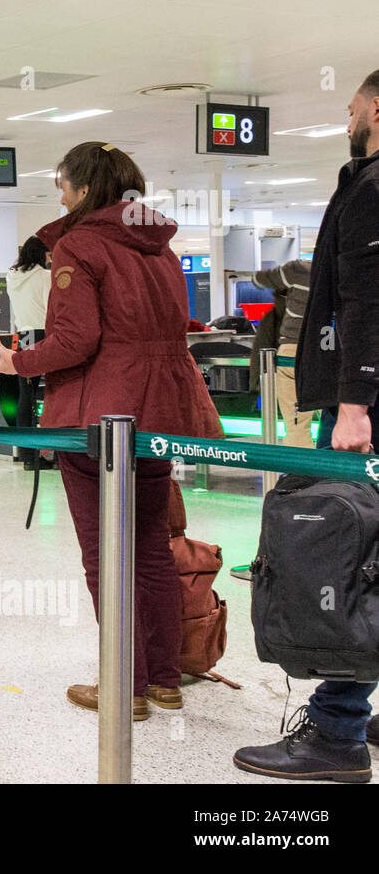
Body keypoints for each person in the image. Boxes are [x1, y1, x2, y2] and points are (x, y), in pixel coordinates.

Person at [0, 142, 222, 720]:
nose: (59, 195)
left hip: (100, 416)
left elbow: (76, 341)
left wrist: (13, 362)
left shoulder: (81, 246)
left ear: (86, 190)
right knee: (152, 550)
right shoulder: (162, 248)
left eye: (64, 184)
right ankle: (165, 679)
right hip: (163, 409)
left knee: (104, 555)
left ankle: (124, 685)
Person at [233, 70, 379, 782]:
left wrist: (356, 404)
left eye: (352, 106)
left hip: (371, 410)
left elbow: (365, 302)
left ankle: (336, 731)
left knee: (347, 553)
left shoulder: (372, 185)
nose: (345, 116)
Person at [251, 258, 314, 448]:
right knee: (338, 421)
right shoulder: (349, 270)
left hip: (294, 352)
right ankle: (343, 474)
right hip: (336, 352)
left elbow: (259, 279)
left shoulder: (298, 270)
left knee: (297, 427)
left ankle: (302, 476)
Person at [6, 236, 52, 468]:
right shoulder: (45, 277)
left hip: (24, 338)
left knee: (26, 396)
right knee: (53, 393)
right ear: (41, 254)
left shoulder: (12, 277)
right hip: (46, 336)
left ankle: (27, 456)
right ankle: (53, 452)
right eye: (48, 255)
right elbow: (52, 309)